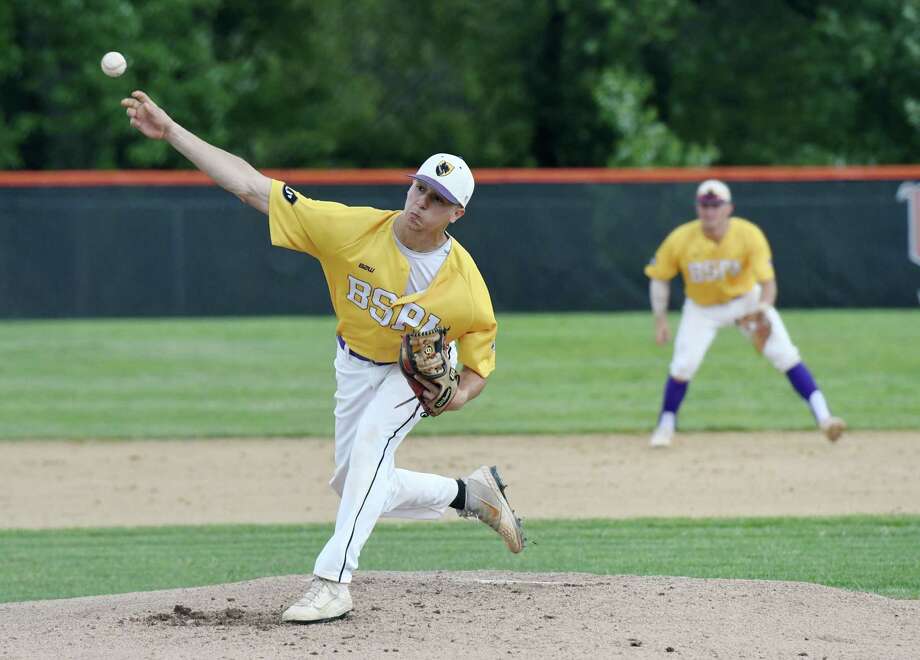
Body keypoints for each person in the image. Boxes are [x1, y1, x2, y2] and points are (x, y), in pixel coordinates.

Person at [120, 90, 524, 623]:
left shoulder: (466, 287)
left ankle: (333, 582)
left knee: (373, 443)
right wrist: (172, 131)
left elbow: (478, 366)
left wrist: (459, 397)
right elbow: (250, 186)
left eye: (437, 198)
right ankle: (470, 495)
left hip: (412, 373)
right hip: (354, 363)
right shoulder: (350, 230)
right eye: (419, 187)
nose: (421, 201)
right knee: (354, 480)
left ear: (457, 213)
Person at [644, 179, 846, 448]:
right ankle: (665, 425)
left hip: (746, 302)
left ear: (729, 208)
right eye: (704, 205)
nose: (709, 211)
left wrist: (763, 308)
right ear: (697, 208)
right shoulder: (681, 238)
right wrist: (660, 320)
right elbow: (659, 277)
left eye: (716, 205)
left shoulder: (748, 234)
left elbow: (768, 283)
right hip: (702, 308)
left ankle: (825, 418)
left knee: (785, 355)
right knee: (683, 365)